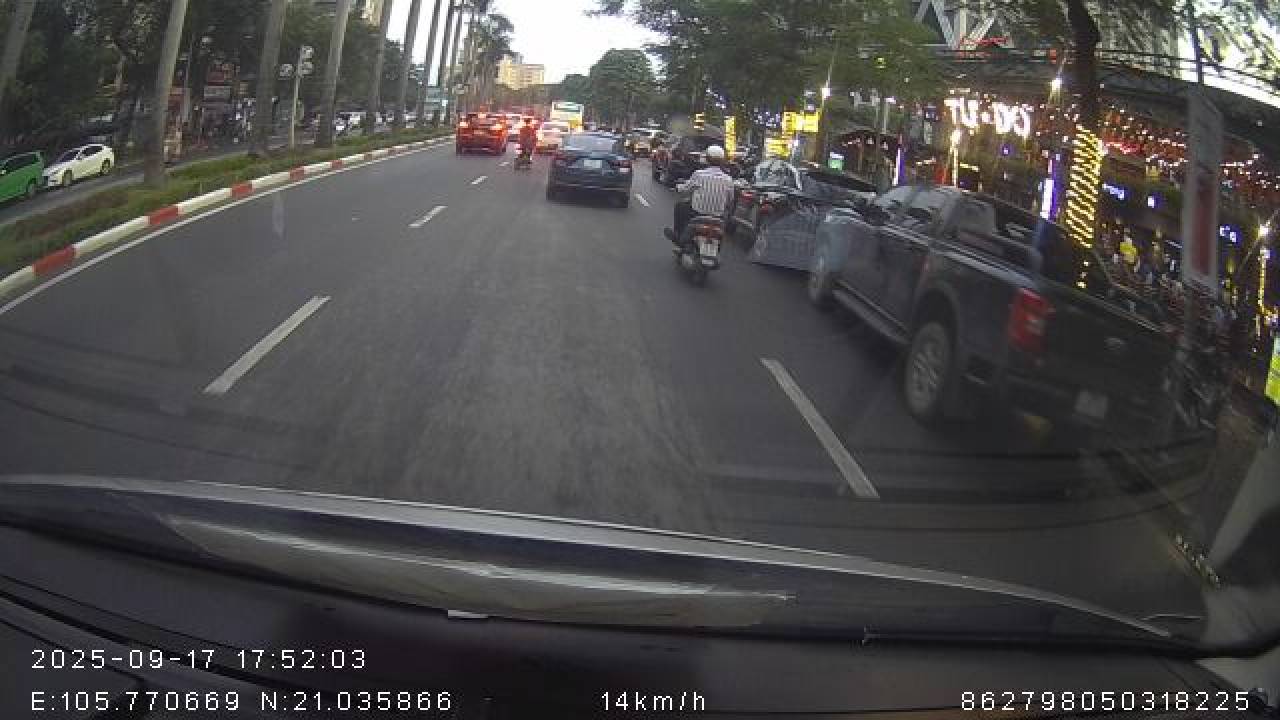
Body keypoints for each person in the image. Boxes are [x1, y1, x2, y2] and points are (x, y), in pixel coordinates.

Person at [669, 144, 734, 243]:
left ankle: (678, 235)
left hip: (697, 212)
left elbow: (686, 189)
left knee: (679, 206)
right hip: (718, 216)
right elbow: (730, 200)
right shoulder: (728, 179)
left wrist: (677, 187)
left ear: (707, 159)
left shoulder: (699, 174)